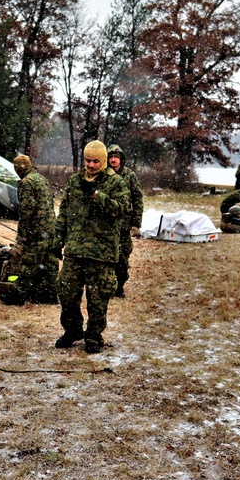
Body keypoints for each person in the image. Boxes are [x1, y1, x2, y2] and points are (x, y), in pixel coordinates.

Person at [53, 141, 130, 354]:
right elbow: (65, 213)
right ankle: (73, 330)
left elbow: (121, 210)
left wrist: (97, 195)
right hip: (75, 250)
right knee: (66, 291)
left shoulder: (116, 183)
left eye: (96, 161)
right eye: (88, 160)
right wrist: (57, 241)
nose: (91, 165)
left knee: (97, 298)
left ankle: (94, 336)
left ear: (104, 161)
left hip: (101, 253)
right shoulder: (75, 181)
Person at [0, 154, 59, 305]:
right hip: (50, 229)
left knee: (29, 262)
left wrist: (22, 235)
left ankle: (18, 295)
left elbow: (26, 211)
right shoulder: (42, 179)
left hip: (37, 231)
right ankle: (50, 295)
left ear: (18, 169)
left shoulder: (26, 183)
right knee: (49, 262)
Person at [106, 144, 144, 298]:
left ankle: (119, 285)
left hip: (123, 225)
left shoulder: (129, 176)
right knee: (107, 257)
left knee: (122, 256)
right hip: (107, 225)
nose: (113, 160)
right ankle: (106, 285)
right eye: (111, 157)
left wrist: (136, 223)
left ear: (121, 159)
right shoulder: (103, 175)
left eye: (116, 157)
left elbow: (137, 199)